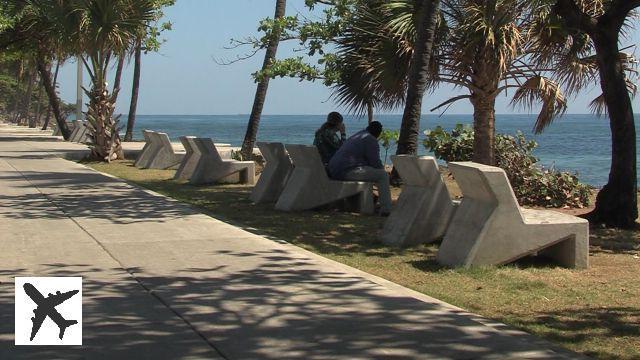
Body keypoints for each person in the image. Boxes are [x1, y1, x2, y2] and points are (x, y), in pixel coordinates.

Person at [328, 121, 392, 216]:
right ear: (378, 133)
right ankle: (386, 210)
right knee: (383, 176)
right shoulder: (370, 139)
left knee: (375, 173)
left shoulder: (359, 135)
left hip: (335, 170)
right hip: (346, 171)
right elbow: (376, 163)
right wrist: (384, 172)